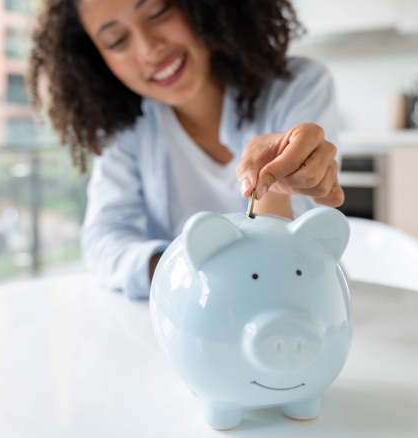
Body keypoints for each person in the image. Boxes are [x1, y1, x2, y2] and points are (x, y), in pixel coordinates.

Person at [28, 0, 344, 299]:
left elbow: (288, 265)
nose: (149, 49)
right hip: (187, 319)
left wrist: (274, 184)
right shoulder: (127, 126)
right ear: (95, 60)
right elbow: (104, 238)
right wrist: (182, 272)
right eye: (116, 40)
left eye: (158, 12)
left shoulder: (299, 86)